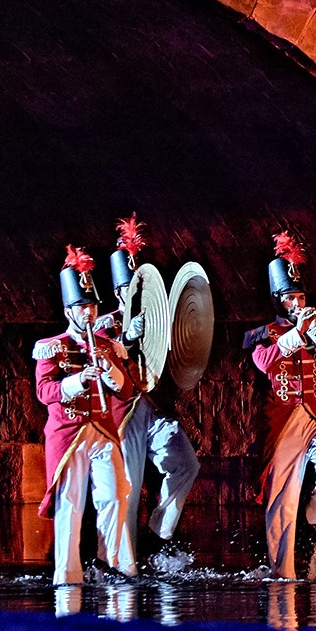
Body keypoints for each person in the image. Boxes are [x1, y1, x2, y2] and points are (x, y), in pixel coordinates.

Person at [246, 231, 316, 579]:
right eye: (291, 298)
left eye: (301, 296)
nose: (298, 303)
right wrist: (296, 333)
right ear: (278, 301)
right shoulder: (263, 332)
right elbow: (265, 363)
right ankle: (283, 572)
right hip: (283, 421)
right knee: (282, 499)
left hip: (315, 418)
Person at [32, 246, 136, 585]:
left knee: (115, 493)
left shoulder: (106, 345)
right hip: (68, 432)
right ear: (68, 311)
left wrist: (108, 370)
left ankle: (114, 565)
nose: (89, 313)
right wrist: (78, 380)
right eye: (81, 307)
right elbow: (44, 392)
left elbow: (125, 390)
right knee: (71, 504)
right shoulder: (52, 346)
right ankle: (67, 576)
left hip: (102, 431)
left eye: (91, 306)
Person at [99, 215, 199, 560]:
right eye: (128, 290)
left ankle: (161, 532)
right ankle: (119, 561)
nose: (134, 296)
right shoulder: (102, 324)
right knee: (125, 485)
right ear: (117, 292)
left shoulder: (154, 317)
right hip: (122, 415)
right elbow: (100, 348)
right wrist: (125, 335)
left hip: (154, 408)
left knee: (185, 463)